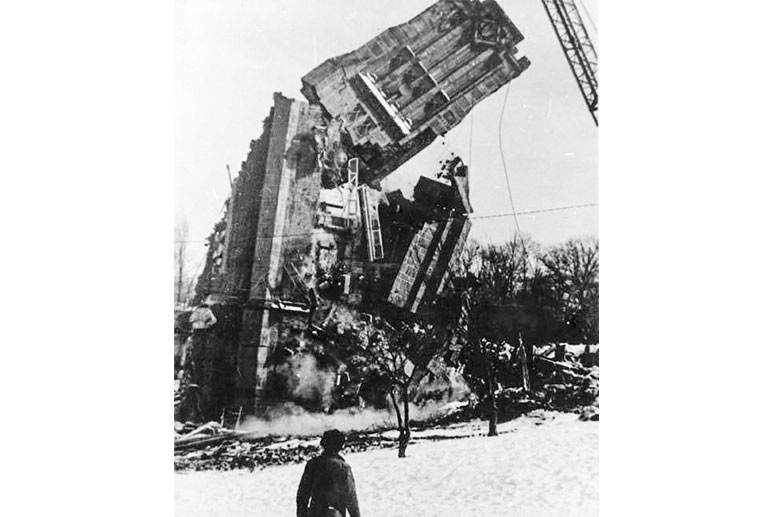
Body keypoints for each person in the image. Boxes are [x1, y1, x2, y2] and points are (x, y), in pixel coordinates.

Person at [297, 430, 360, 517]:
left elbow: (303, 493)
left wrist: (302, 513)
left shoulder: (312, 464)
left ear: (323, 444)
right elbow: (351, 498)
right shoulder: (343, 467)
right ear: (340, 446)